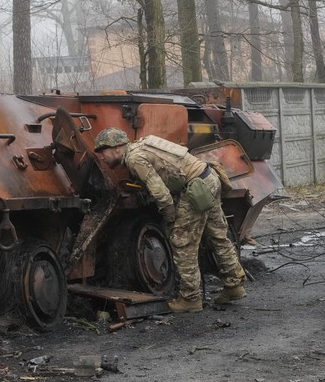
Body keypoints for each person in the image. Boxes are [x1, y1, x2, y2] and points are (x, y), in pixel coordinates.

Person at [93, 127, 247, 313]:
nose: (101, 157)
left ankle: (191, 298)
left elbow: (161, 193)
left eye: (102, 151)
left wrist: (170, 218)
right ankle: (234, 285)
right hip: (209, 178)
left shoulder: (134, 159)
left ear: (117, 148)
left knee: (182, 242)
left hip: (195, 188)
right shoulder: (144, 144)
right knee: (218, 236)